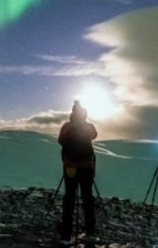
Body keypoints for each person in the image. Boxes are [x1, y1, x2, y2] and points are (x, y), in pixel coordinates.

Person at [57, 101, 98, 241]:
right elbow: (94, 136)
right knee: (87, 198)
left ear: (72, 113)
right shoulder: (89, 126)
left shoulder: (66, 127)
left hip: (70, 167)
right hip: (86, 167)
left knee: (69, 197)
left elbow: (61, 141)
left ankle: (66, 234)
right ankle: (90, 232)